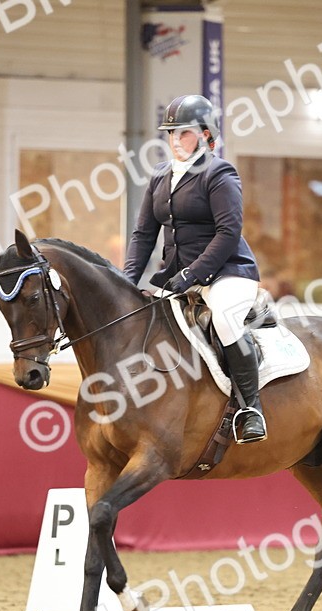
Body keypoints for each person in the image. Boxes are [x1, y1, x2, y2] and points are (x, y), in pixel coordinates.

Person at [124, 94, 266, 443]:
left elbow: (228, 232)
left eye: (184, 133)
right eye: (171, 133)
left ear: (205, 135)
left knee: (225, 320)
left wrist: (191, 275)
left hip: (227, 272)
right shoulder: (160, 176)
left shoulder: (219, 173)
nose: (175, 140)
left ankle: (251, 409)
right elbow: (143, 235)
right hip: (176, 276)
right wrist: (126, 281)